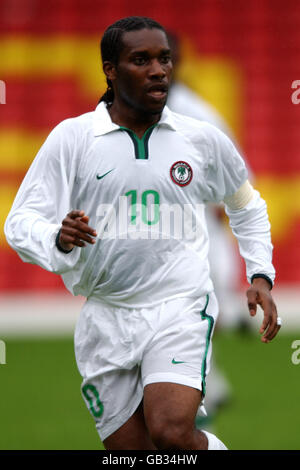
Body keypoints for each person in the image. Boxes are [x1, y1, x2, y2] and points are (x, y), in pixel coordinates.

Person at [5, 16, 281, 450]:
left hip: (180, 304)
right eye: (141, 60)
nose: (158, 70)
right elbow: (20, 222)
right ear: (110, 70)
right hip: (106, 316)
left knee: (170, 433)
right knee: (129, 452)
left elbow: (245, 203)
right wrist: (57, 239)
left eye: (164, 59)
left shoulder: (200, 138)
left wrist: (261, 274)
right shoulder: (73, 139)